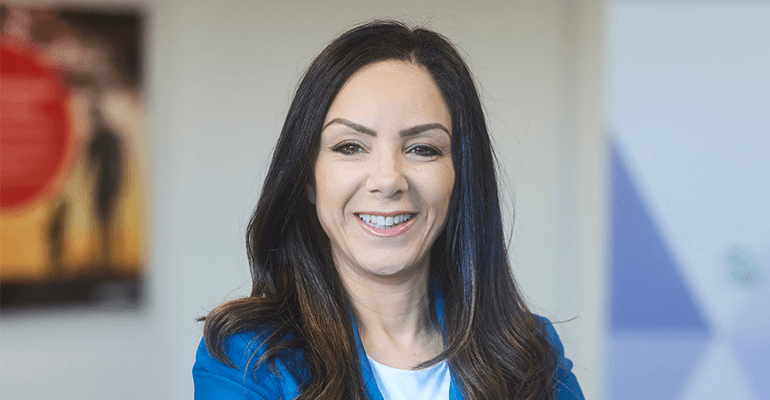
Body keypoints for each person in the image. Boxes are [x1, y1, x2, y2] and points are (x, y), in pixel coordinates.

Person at [193, 20, 584, 400]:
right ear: (308, 177)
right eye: (350, 147)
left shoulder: (531, 353)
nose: (388, 179)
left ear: (459, 177)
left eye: (422, 149)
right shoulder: (247, 358)